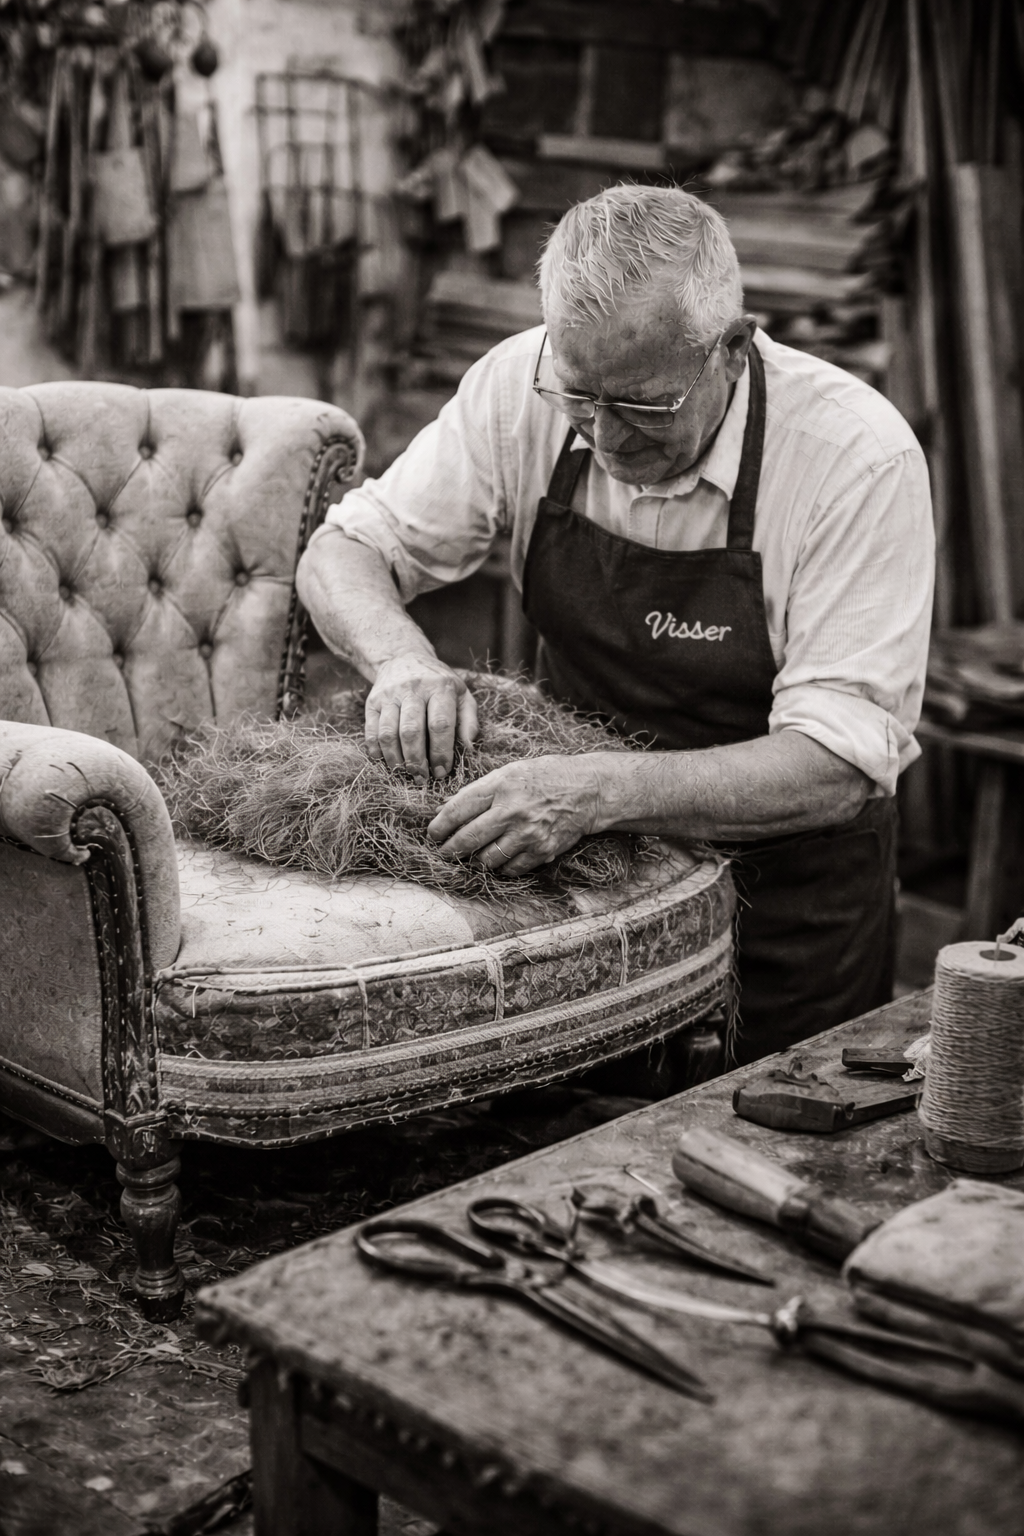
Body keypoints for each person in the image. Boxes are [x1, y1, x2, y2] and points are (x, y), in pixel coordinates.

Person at [297, 185, 934, 1065]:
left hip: (791, 900)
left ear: (735, 348)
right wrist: (401, 660)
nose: (605, 438)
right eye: (580, 398)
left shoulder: (855, 461)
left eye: (644, 407)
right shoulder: (521, 385)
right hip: (584, 888)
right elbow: (344, 551)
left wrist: (597, 792)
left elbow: (837, 764)